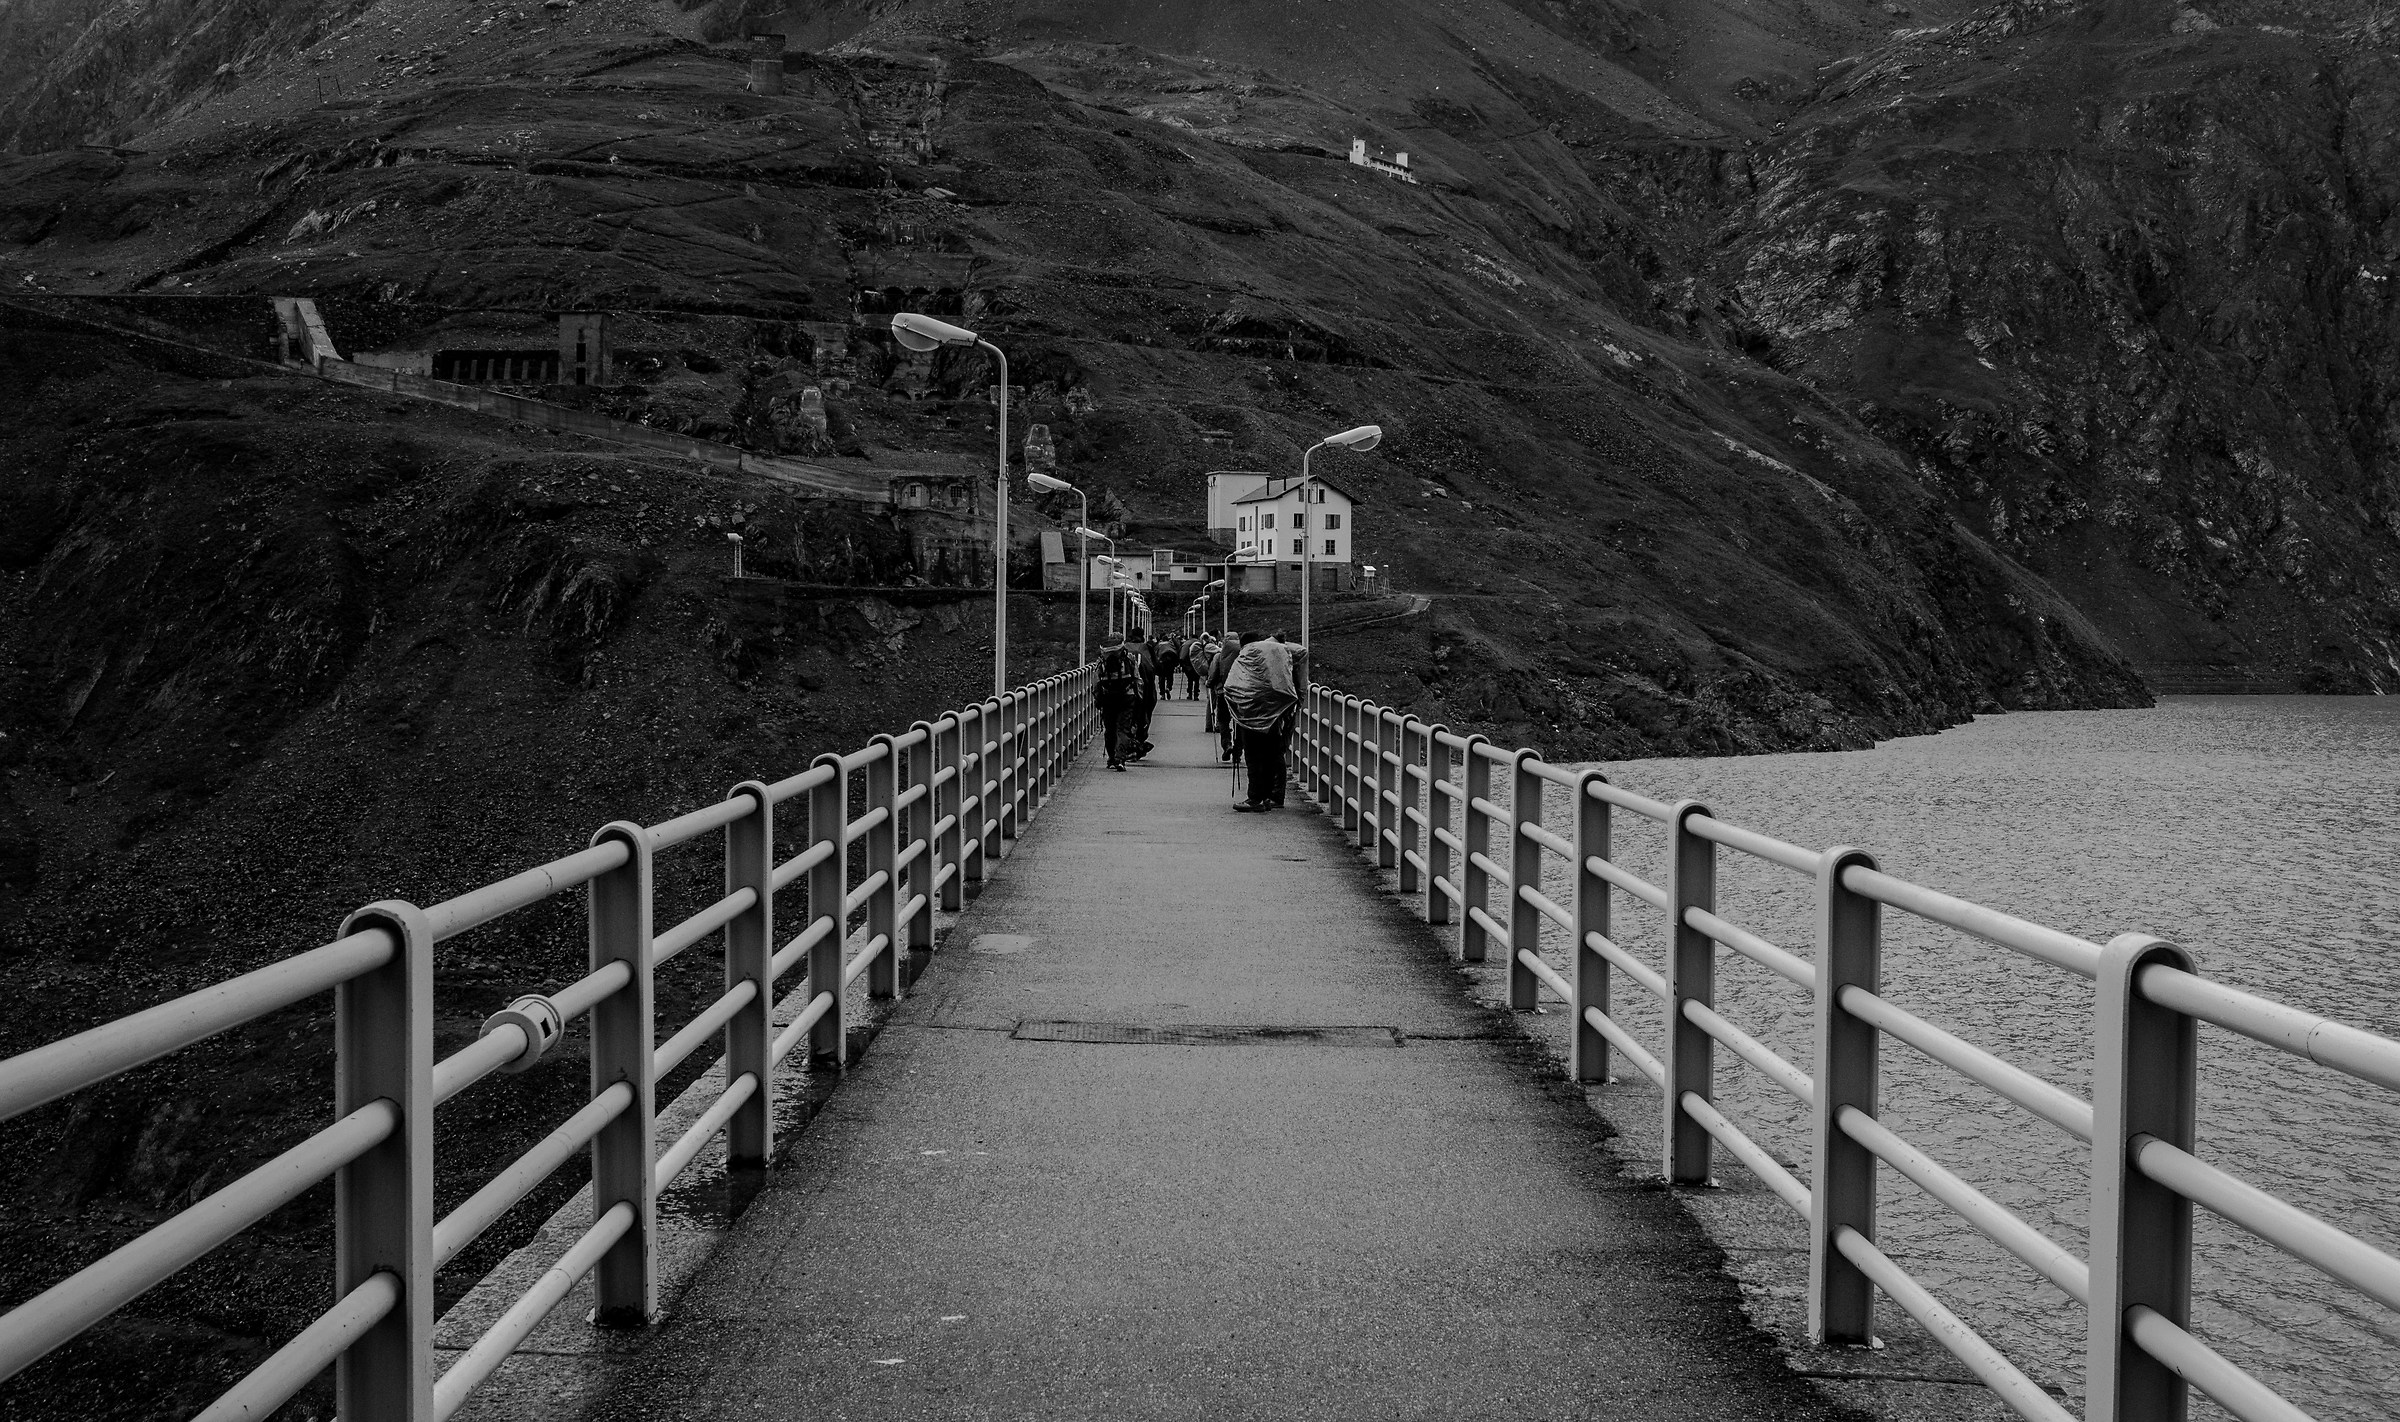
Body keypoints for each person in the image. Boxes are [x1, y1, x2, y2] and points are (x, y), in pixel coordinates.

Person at [1224, 629, 1305, 811]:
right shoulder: (1276, 654)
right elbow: (1301, 652)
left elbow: (1232, 685)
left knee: (1253, 757)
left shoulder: (1247, 655)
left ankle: (1255, 799)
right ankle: (1267, 797)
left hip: (1251, 714)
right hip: (1275, 713)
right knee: (1270, 755)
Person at [1095, 632, 1139, 770]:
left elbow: (1096, 683)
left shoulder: (1101, 661)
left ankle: (1111, 758)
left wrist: (1097, 699)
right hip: (1126, 696)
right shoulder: (1129, 659)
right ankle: (1120, 759)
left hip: (1107, 698)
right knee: (1123, 729)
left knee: (1110, 729)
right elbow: (1137, 679)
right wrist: (1139, 697)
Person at [1124, 628, 1160, 761]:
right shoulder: (1147, 648)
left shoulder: (1124, 648)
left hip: (1125, 689)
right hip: (1146, 688)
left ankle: (1128, 745)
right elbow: (1157, 667)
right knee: (1143, 715)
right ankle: (1138, 741)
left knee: (1126, 716)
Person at [1207, 631, 1243, 761]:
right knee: (1239, 722)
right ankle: (1238, 751)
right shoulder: (1243, 654)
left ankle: (1227, 744)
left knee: (1223, 721)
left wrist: (1209, 683)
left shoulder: (1219, 656)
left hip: (1223, 693)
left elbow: (1213, 674)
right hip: (1241, 694)